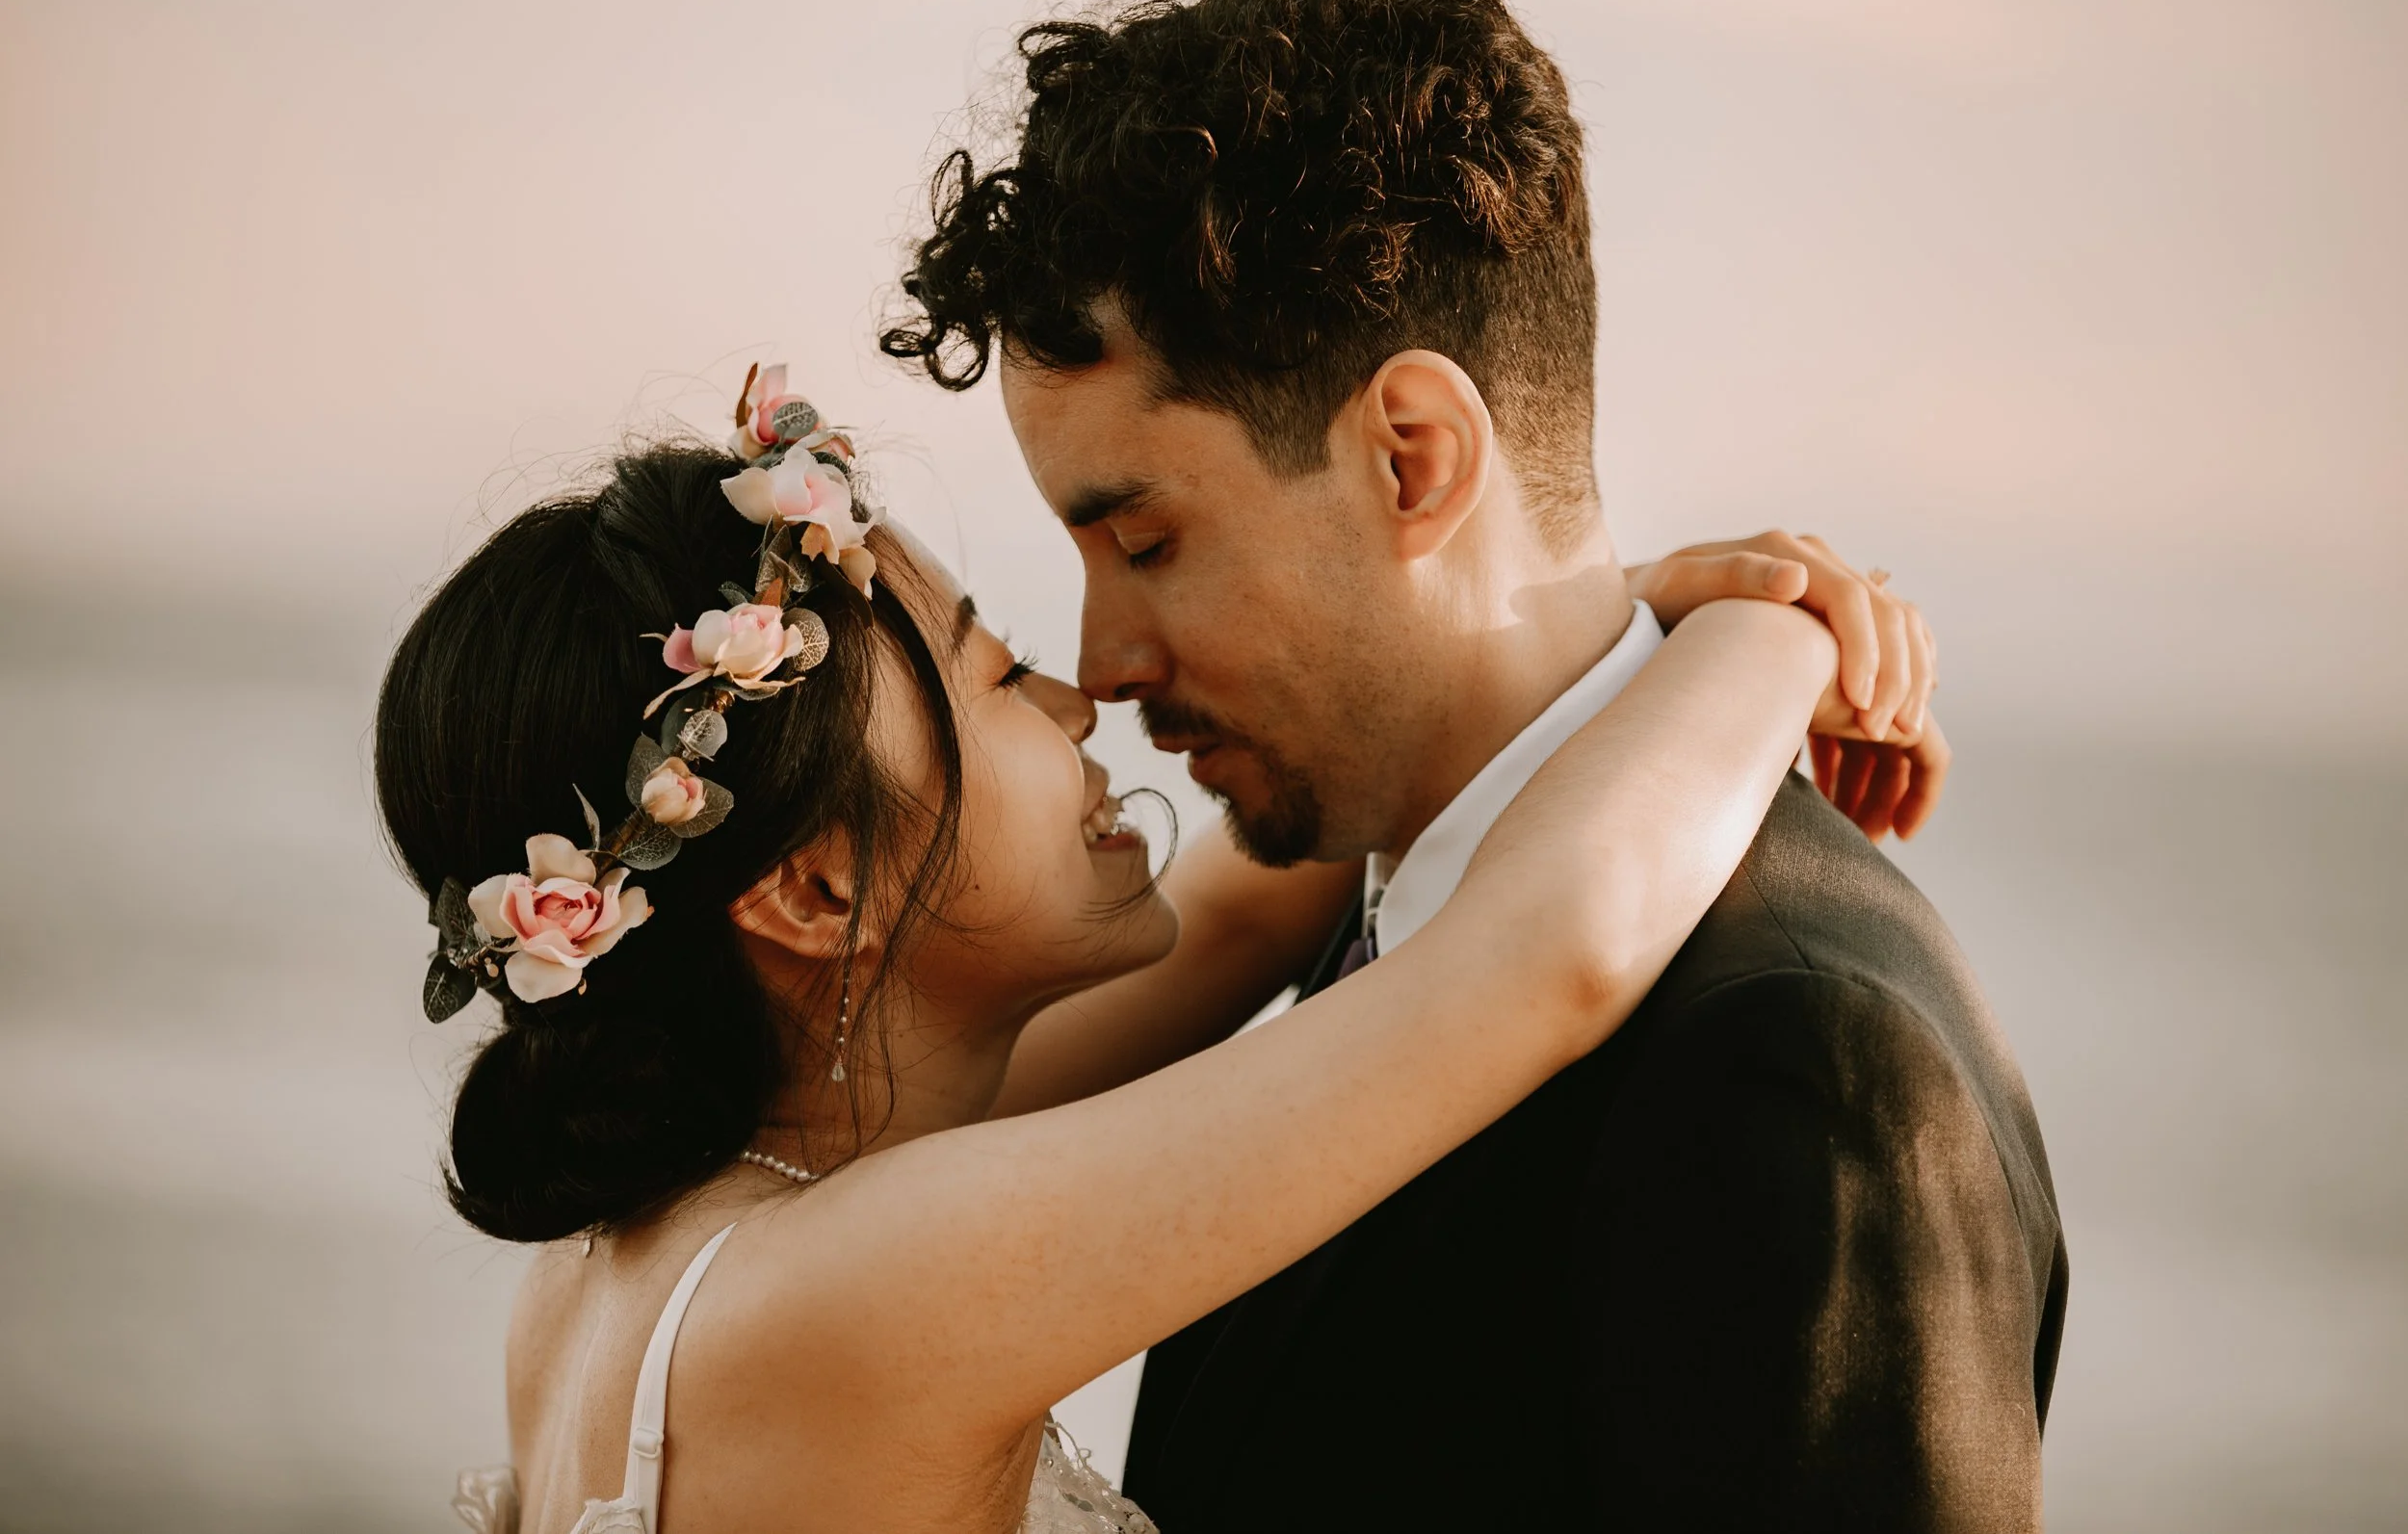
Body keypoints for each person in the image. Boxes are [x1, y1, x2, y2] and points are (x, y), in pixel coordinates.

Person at [881, 0, 2066, 1527]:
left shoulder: (1800, 1073)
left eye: (1147, 540)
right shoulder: (1370, 918)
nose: (1099, 659)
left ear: (1414, 459)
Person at [380, 383, 1924, 1530]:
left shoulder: (670, 1242)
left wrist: (1592, 621)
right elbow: (1551, 950)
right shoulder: (865, 1285)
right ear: (814, 887)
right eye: (990, 676)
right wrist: (1784, 636)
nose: (1076, 694)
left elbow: (1259, 906)